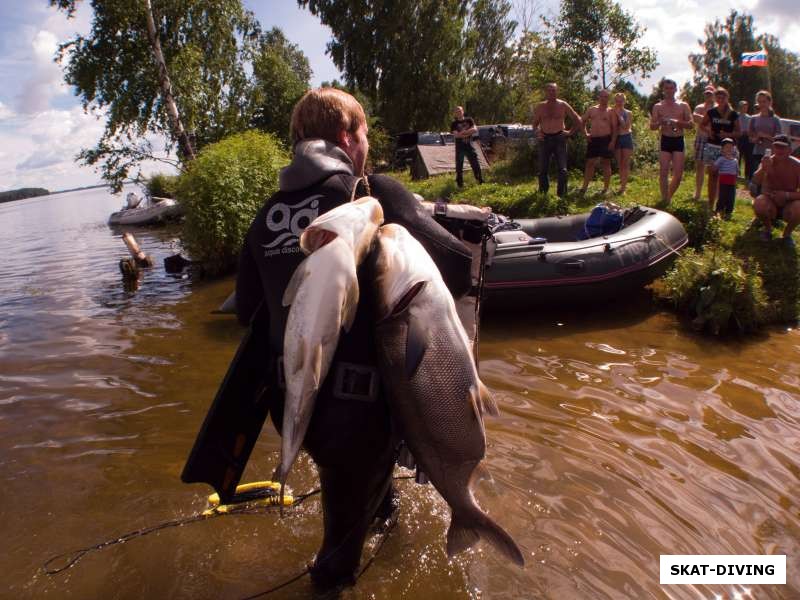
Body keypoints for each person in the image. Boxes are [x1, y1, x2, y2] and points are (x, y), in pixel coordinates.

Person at [235, 87, 473, 590]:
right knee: (336, 561)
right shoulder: (372, 196)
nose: (365, 144)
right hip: (358, 411)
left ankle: (384, 532)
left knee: (362, 493)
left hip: (295, 403)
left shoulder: (266, 215)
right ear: (346, 136)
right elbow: (456, 264)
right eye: (364, 134)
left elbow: (246, 311)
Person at [532, 82, 582, 197]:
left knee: (562, 169)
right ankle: (543, 194)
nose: (551, 92)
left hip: (559, 138)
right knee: (542, 169)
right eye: (549, 90)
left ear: (557, 91)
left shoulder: (563, 105)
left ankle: (562, 195)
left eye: (553, 90)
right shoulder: (541, 106)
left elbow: (578, 119)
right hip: (545, 139)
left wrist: (570, 132)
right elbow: (534, 124)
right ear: (546, 92)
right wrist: (538, 132)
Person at [649, 79, 693, 204]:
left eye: (671, 88)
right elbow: (652, 126)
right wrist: (660, 122)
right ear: (663, 90)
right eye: (666, 88)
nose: (669, 90)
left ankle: (668, 196)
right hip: (665, 139)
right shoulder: (658, 106)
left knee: (678, 175)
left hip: (678, 139)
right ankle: (665, 200)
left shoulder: (683, 105)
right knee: (663, 171)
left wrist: (677, 122)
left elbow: (691, 124)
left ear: (675, 89)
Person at [752, 134, 800, 246]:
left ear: (789, 150)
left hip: (789, 204)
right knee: (759, 202)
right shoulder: (767, 161)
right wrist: (763, 169)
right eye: (777, 146)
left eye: (783, 147)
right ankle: (767, 230)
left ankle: (787, 234)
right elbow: (755, 181)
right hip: (770, 201)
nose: (779, 150)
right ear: (772, 148)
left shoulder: (797, 166)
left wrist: (786, 195)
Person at [701, 87, 741, 210]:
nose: (720, 99)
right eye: (718, 97)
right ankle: (710, 204)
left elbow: (739, 132)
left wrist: (727, 135)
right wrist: (709, 131)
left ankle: (722, 205)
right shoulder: (711, 112)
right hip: (713, 145)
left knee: (725, 178)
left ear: (727, 98)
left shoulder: (733, 114)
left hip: (728, 149)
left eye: (723, 97)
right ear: (715, 98)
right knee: (712, 175)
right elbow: (702, 124)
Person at [580, 89, 618, 194]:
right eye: (602, 96)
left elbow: (615, 128)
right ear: (598, 97)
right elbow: (582, 121)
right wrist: (585, 134)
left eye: (606, 97)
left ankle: (605, 189)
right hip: (593, 139)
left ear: (608, 98)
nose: (603, 99)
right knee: (590, 163)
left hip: (606, 139)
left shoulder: (611, 111)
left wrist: (613, 142)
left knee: (606, 163)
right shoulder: (592, 110)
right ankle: (584, 188)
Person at [748, 90, 782, 177]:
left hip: (772, 154)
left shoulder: (775, 119)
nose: (762, 104)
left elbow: (779, 140)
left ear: (769, 102)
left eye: (764, 101)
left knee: (769, 179)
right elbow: (750, 137)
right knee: (757, 178)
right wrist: (755, 139)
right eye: (759, 102)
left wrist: (766, 136)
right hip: (757, 152)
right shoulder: (753, 118)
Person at [692, 85, 717, 200]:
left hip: (714, 140)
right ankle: (698, 192)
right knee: (700, 166)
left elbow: (716, 123)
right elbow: (694, 118)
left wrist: (703, 120)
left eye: (710, 94)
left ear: (714, 94)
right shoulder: (699, 106)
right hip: (701, 139)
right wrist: (708, 120)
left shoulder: (718, 108)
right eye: (707, 93)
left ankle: (713, 194)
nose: (708, 96)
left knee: (714, 167)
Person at [451, 106, 484, 187]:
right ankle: (460, 185)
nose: (458, 112)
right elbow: (456, 136)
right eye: (456, 111)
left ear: (463, 111)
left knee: (475, 164)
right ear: (455, 113)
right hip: (460, 148)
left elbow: (475, 130)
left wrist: (463, 133)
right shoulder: (454, 124)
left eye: (459, 110)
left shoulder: (469, 120)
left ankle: (480, 181)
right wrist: (469, 132)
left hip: (470, 146)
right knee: (459, 167)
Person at [712, 138, 738, 219]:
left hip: (732, 182)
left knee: (731, 197)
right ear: (722, 149)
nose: (729, 149)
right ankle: (719, 210)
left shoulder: (735, 160)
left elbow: (736, 171)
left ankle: (728, 212)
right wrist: (713, 168)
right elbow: (715, 167)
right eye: (727, 147)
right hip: (723, 181)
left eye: (731, 147)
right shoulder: (721, 159)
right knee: (722, 196)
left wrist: (736, 178)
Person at [613, 92, 633, 194]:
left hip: (626, 137)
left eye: (621, 100)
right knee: (619, 164)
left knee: (625, 163)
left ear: (624, 101)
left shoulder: (628, 113)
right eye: (617, 100)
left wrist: (619, 115)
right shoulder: (611, 112)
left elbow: (625, 126)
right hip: (616, 138)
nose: (619, 102)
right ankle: (622, 185)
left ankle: (623, 188)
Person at [737, 100, 754, 181]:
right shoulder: (735, 116)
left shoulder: (749, 117)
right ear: (739, 107)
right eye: (743, 106)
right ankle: (737, 174)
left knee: (748, 157)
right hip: (738, 138)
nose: (744, 108)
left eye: (746, 107)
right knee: (737, 156)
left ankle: (747, 175)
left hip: (747, 138)